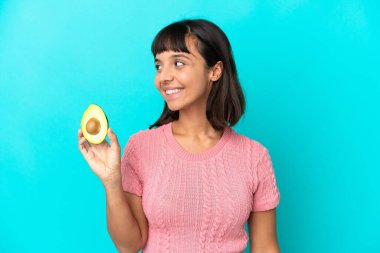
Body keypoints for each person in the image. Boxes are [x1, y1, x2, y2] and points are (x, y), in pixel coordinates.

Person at [78, 18, 280, 253]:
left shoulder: (254, 157)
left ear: (214, 71)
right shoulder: (141, 147)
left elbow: (265, 247)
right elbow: (129, 245)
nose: (163, 77)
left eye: (179, 63)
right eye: (159, 66)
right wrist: (112, 181)